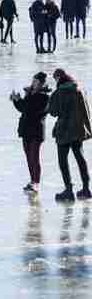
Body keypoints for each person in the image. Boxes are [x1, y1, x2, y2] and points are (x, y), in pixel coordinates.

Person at [47, 67, 92, 202]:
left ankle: (68, 190)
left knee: (63, 161)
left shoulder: (59, 92)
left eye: (55, 78)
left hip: (64, 132)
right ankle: (86, 188)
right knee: (80, 158)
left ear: (59, 78)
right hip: (78, 130)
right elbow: (86, 111)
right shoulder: (79, 90)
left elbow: (53, 112)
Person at [10, 72, 51, 193]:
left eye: (37, 82)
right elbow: (23, 109)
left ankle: (36, 183)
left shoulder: (44, 97)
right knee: (29, 157)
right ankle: (32, 181)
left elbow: (32, 110)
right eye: (33, 81)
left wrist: (20, 100)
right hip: (25, 130)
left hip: (36, 131)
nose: (34, 84)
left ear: (42, 84)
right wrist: (16, 100)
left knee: (34, 157)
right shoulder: (29, 94)